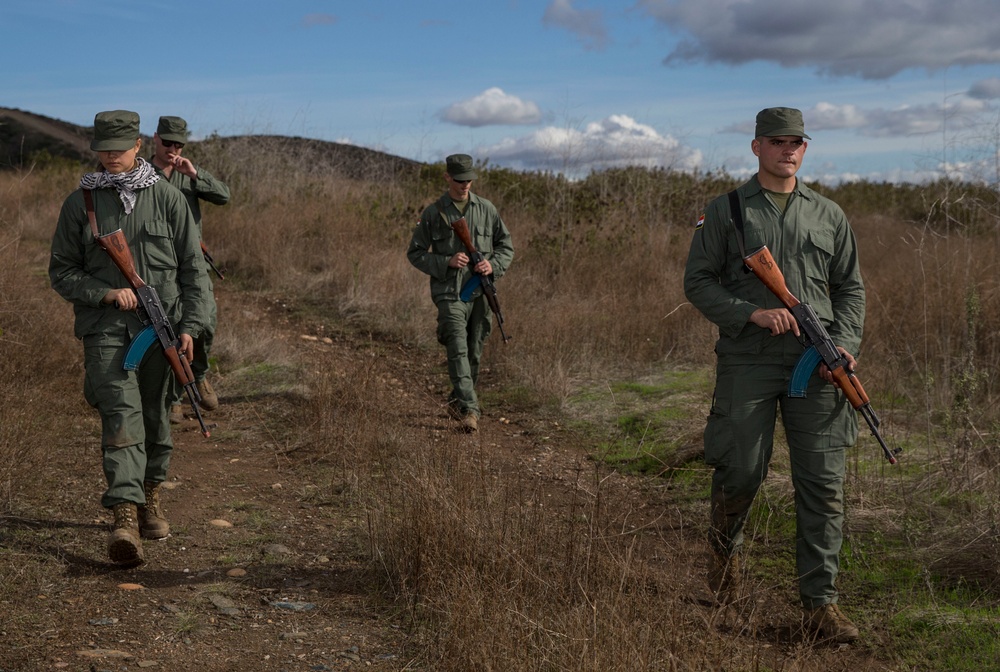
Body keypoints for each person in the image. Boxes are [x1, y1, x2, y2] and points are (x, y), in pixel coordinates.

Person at [683, 107, 866, 642]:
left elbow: (850, 289)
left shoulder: (829, 215)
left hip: (820, 363)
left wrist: (846, 346)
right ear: (757, 146)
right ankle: (724, 552)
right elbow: (697, 282)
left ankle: (820, 604)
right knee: (741, 468)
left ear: (805, 149)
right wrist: (749, 313)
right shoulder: (727, 211)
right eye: (778, 141)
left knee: (823, 482)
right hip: (749, 359)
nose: (789, 150)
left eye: (797, 143)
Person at [50, 110, 212, 566]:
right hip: (105, 329)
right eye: (103, 150)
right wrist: (104, 293)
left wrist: (190, 327)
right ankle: (123, 513)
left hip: (163, 328)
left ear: (139, 145)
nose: (110, 157)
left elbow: (192, 272)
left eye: (119, 150)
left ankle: (150, 497)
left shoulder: (168, 199)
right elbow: (61, 271)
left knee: (157, 416)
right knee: (121, 415)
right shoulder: (79, 203)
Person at [407, 154, 514, 432]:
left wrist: (494, 264)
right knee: (457, 346)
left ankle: (457, 400)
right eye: (459, 179)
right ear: (447, 178)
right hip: (449, 292)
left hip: (480, 290)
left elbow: (506, 245)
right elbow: (415, 253)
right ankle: (470, 409)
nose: (465, 184)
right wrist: (446, 262)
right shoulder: (434, 213)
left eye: (469, 179)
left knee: (474, 350)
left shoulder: (487, 209)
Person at [149, 116, 230, 423]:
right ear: (155, 138)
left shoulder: (187, 172)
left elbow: (224, 196)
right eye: (166, 142)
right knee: (167, 327)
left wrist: (195, 174)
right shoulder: (143, 174)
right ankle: (172, 397)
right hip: (157, 262)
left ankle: (199, 375)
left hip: (192, 261)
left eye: (177, 144)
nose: (171, 148)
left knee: (204, 323)